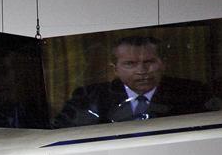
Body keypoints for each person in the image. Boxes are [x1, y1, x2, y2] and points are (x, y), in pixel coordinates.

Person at [53, 36, 212, 127]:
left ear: (163, 63)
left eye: (149, 62)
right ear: (115, 69)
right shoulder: (88, 97)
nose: (141, 70)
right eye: (130, 64)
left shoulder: (193, 92)